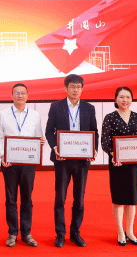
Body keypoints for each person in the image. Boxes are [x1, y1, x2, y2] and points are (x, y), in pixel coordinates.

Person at [45, 74, 98, 248]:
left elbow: (94, 131)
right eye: (72, 86)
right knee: (60, 198)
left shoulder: (89, 108)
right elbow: (49, 131)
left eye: (78, 87)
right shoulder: (56, 106)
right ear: (65, 88)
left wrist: (94, 149)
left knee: (79, 199)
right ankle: (60, 234)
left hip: (82, 160)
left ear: (82, 89)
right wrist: (55, 147)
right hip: (62, 159)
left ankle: (75, 232)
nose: (75, 90)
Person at [0, 83, 46, 247]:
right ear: (12, 96)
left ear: (27, 96)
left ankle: (27, 233)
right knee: (11, 198)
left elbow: (38, 137)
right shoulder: (3, 114)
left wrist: (41, 142)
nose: (20, 96)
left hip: (28, 163)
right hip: (9, 163)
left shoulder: (35, 115)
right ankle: (12, 233)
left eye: (23, 93)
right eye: (16, 93)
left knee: (27, 198)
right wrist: (3, 155)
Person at [101, 86, 137, 246]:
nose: (124, 100)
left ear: (132, 99)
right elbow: (105, 142)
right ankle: (120, 231)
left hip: (134, 165)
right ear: (115, 99)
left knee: (132, 199)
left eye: (128, 97)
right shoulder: (110, 117)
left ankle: (130, 231)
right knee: (119, 199)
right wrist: (114, 155)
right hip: (117, 163)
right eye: (121, 97)